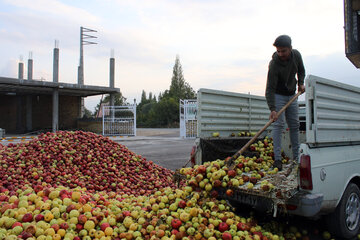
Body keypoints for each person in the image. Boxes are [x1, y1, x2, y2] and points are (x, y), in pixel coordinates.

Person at [265, 35, 305, 171]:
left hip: (292, 94)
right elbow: (269, 88)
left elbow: (301, 70)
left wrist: (300, 83)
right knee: (278, 125)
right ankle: (277, 160)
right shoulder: (274, 64)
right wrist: (273, 109)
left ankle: (296, 159)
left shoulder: (297, 55)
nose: (280, 54)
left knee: (294, 125)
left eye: (283, 51)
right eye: (278, 51)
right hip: (278, 95)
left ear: (290, 49)